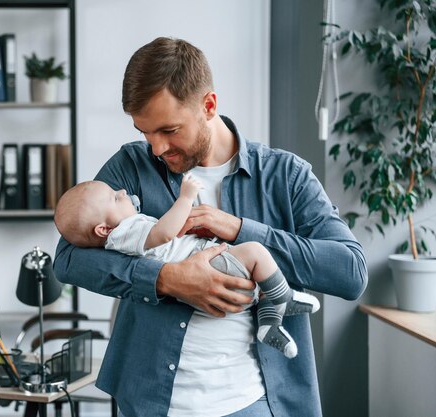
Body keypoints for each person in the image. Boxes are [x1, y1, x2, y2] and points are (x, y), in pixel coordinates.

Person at [54, 37, 367, 417]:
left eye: (169, 130)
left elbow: (351, 272)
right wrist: (166, 279)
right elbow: (68, 259)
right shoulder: (131, 168)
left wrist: (239, 229)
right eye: (145, 132)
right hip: (151, 400)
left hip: (254, 402)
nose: (156, 148)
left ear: (209, 106)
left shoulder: (286, 175)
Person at [54, 176, 321, 359]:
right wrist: (186, 197)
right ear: (103, 229)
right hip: (210, 266)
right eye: (114, 198)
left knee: (258, 282)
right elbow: (164, 233)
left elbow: (164, 238)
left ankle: (269, 325)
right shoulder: (125, 231)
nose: (122, 192)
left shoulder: (122, 232)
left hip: (206, 273)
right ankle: (283, 299)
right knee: (255, 252)